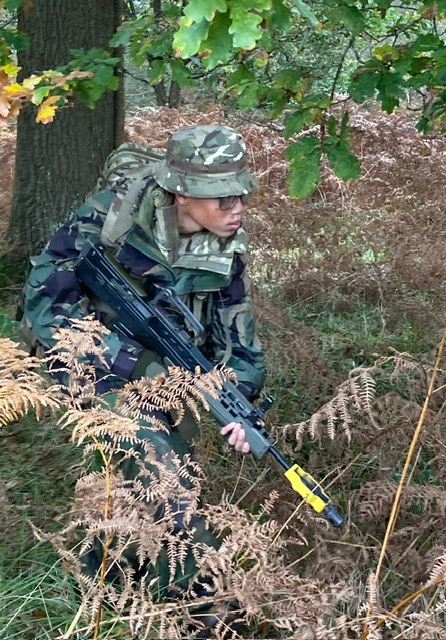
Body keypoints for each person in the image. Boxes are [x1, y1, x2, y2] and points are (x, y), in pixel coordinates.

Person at [19, 124, 266, 627]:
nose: (235, 206)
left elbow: (239, 338)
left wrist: (241, 405)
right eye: (221, 198)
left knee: (137, 472)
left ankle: (101, 585)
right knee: (162, 469)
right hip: (87, 358)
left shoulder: (225, 245)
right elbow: (44, 305)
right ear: (181, 192)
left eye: (240, 192)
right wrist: (134, 362)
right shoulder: (109, 217)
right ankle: (208, 613)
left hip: (165, 368)